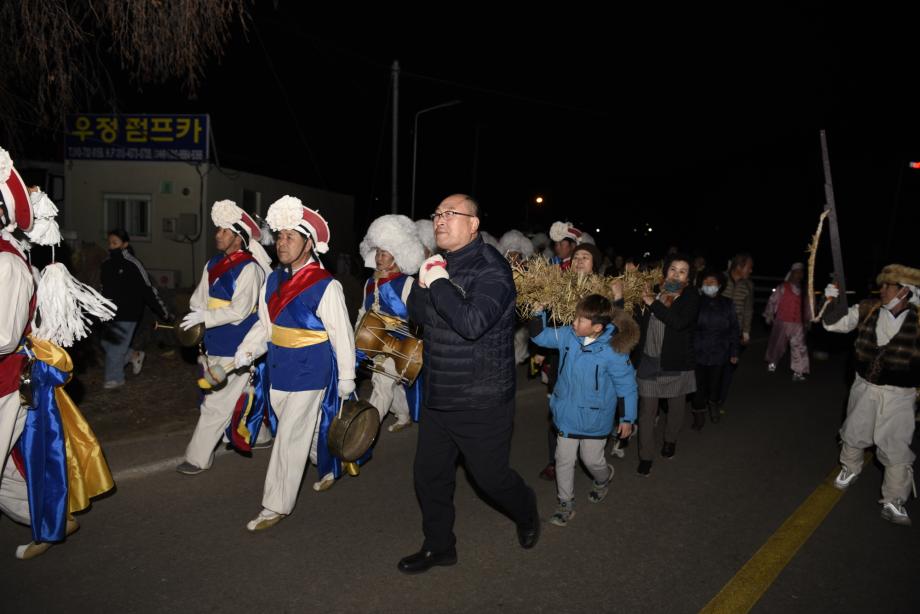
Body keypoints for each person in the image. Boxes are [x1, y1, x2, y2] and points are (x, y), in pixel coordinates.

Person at [398, 194, 539, 574]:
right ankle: (440, 546)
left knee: (491, 479)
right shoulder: (436, 262)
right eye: (437, 214)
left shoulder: (492, 269)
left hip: (481, 398)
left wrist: (438, 283)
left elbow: (472, 323)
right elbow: (418, 310)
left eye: (451, 214)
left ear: (474, 224)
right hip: (439, 392)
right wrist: (434, 286)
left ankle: (526, 509)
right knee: (429, 476)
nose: (440, 220)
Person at [234, 196, 356, 531]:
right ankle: (330, 465)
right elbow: (265, 325)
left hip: (311, 371)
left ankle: (275, 505)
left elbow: (342, 334)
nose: (281, 243)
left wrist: (347, 376)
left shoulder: (325, 285)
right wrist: (248, 350)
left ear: (309, 244)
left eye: (290, 237)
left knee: (288, 438)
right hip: (278, 369)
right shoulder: (272, 280)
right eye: (280, 236)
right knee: (310, 427)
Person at [176, 200, 274, 476]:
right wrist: (193, 318)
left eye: (224, 231)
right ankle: (262, 434)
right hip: (214, 342)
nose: (217, 235)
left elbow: (241, 311)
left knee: (216, 403)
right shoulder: (213, 263)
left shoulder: (250, 269)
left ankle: (197, 458)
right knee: (239, 392)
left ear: (238, 237)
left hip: (238, 345)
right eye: (217, 230)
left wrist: (205, 318)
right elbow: (199, 298)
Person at [823, 265, 920, 526]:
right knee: (854, 430)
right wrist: (831, 301)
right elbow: (835, 325)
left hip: (901, 395)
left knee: (896, 446)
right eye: (884, 285)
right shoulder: (869, 308)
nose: (884, 290)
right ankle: (849, 468)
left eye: (890, 286)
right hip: (864, 386)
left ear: (906, 291)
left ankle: (894, 499)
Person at [531, 294, 638, 527]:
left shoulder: (614, 351)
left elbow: (627, 386)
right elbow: (539, 335)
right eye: (576, 317)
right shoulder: (569, 336)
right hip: (567, 413)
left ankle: (603, 478)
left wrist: (627, 418)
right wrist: (537, 312)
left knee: (591, 461)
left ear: (597, 327)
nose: (574, 322)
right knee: (563, 460)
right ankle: (565, 504)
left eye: (580, 320)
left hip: (594, 417)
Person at [621, 253, 700, 476]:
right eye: (673, 269)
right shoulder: (652, 291)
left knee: (675, 409)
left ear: (688, 277)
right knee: (647, 412)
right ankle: (646, 456)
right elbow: (634, 319)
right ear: (665, 271)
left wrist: (653, 303)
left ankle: (670, 440)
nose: (676, 274)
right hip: (648, 361)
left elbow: (679, 323)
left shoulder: (690, 296)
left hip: (676, 362)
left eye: (682, 271)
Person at [356, 214, 425, 432]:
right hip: (374, 342)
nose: (379, 257)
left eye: (384, 253)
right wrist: (354, 339)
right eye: (378, 251)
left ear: (396, 256)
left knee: (382, 383)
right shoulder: (369, 283)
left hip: (401, 345)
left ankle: (364, 433)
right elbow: (362, 313)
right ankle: (403, 413)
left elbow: (420, 316)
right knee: (383, 381)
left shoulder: (407, 283)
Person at [99, 229, 171, 389]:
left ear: (125, 244)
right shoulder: (106, 264)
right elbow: (103, 289)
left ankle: (115, 379)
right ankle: (134, 355)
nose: (111, 246)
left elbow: (148, 289)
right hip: (110, 313)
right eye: (110, 243)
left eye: (115, 243)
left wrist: (164, 312)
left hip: (128, 312)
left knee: (116, 348)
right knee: (106, 343)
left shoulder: (133, 264)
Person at [692, 270, 740, 428]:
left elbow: (734, 329)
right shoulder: (696, 303)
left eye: (712, 283)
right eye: (705, 283)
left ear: (719, 285)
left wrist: (734, 352)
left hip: (720, 351)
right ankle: (698, 413)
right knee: (698, 385)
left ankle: (713, 404)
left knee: (715, 383)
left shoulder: (728, 304)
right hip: (698, 351)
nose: (708, 285)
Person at [763, 262, 811, 381]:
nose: (799, 275)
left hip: (798, 324)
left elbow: (807, 307)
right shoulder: (783, 287)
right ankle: (772, 362)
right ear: (792, 274)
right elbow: (773, 301)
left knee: (799, 347)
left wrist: (808, 320)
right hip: (782, 322)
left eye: (801, 273)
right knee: (777, 345)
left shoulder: (805, 291)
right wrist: (769, 315)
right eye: (797, 273)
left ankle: (798, 371)